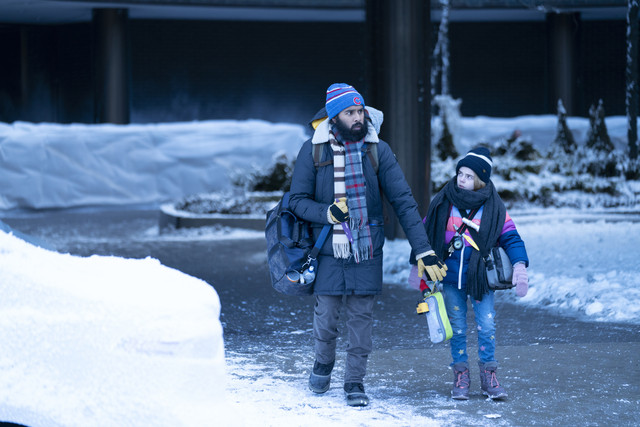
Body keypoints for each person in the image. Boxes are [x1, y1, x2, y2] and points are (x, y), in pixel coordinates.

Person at [288, 83, 447, 407]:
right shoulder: (314, 150)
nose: (358, 117)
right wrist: (326, 212)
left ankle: (355, 382)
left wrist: (423, 249)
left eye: (360, 111)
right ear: (335, 117)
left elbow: (403, 201)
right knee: (327, 316)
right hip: (328, 250)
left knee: (361, 320)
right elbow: (296, 202)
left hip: (366, 249)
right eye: (350, 112)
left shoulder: (378, 150)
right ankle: (323, 363)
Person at [409, 146, 529, 400]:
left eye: (468, 176)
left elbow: (511, 237)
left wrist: (520, 266)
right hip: (450, 278)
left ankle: (489, 375)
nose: (461, 180)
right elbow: (424, 235)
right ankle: (461, 375)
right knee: (457, 329)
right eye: (460, 173)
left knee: (487, 326)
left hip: (481, 280)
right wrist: (416, 267)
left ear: (480, 180)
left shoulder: (494, 207)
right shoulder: (444, 201)